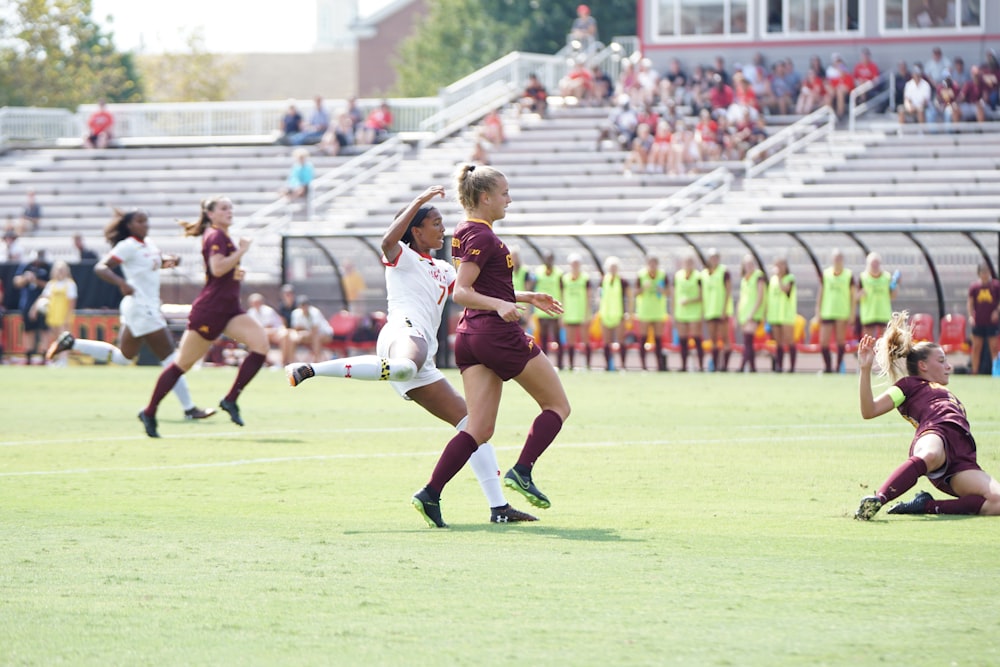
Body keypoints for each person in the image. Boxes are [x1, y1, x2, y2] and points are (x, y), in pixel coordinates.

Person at [284, 186, 537, 524]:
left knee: (472, 425)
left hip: (423, 356)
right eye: (435, 222)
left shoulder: (445, 269)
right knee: (405, 365)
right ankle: (311, 369)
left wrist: (528, 296)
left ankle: (498, 508)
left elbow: (470, 291)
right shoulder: (402, 257)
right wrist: (418, 201)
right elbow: (387, 242)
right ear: (416, 230)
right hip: (403, 334)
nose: (442, 228)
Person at [411, 165, 570, 528]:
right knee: (557, 405)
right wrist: (501, 306)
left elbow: (484, 284)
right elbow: (462, 291)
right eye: (504, 193)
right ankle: (522, 471)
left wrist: (525, 296)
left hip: (471, 338)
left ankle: (430, 493)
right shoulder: (483, 238)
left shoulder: (467, 232)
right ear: (485, 198)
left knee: (479, 429)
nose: (508, 200)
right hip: (497, 334)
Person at [46, 209, 215, 418]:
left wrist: (168, 261)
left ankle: (72, 343)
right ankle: (189, 408)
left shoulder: (149, 244)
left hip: (142, 307)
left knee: (124, 358)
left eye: (146, 220)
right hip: (142, 307)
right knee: (171, 359)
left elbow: (151, 264)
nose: (145, 224)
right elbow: (101, 268)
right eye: (139, 221)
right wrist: (122, 283)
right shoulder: (127, 246)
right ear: (129, 226)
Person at [137, 196, 269, 438]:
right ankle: (149, 411)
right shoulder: (215, 235)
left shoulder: (220, 235)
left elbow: (219, 273)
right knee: (182, 365)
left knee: (260, 345)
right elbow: (218, 268)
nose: (230, 211)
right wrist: (242, 251)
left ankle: (230, 399)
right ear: (210, 214)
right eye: (223, 208)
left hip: (228, 309)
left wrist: (235, 273)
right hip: (211, 310)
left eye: (231, 207)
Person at [854, 312, 1000, 520]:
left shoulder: (946, 393)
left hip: (962, 457)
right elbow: (869, 410)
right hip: (935, 433)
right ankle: (878, 499)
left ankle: (926, 505)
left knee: (997, 501)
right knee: (930, 454)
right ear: (923, 365)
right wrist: (865, 369)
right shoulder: (908, 385)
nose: (948, 366)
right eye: (941, 361)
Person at [816, 249, 855, 374]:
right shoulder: (826, 274)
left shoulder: (848, 275)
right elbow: (820, 293)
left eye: (839, 258)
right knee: (823, 342)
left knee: (840, 341)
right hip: (827, 311)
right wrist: (818, 310)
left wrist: (852, 313)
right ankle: (827, 367)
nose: (837, 261)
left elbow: (853, 296)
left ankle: (838, 367)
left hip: (842, 312)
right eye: (835, 258)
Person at [32, 260, 76, 364]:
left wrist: (67, 316)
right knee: (55, 338)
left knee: (64, 338)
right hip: (53, 315)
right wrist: (34, 308)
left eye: (62, 270)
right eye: (58, 270)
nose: (60, 272)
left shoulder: (70, 284)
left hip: (63, 315)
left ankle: (64, 360)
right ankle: (56, 359)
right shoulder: (51, 284)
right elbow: (43, 297)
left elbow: (72, 302)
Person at [12, 250, 51, 365]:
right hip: (27, 303)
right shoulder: (26, 266)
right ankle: (28, 355)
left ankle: (44, 356)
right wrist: (26, 278)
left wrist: (36, 281)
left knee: (44, 330)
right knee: (28, 330)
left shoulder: (47, 267)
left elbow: (50, 284)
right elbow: (16, 282)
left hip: (44, 303)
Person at [634, 255, 668, 372]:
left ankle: (659, 365)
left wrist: (661, 290)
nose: (652, 266)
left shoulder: (662, 275)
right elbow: (635, 292)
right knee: (643, 338)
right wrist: (643, 288)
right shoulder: (641, 275)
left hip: (658, 311)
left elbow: (668, 292)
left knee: (658, 339)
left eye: (654, 263)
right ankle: (643, 366)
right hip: (644, 311)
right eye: (650, 263)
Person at [701, 249, 732, 372]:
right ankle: (715, 365)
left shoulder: (724, 272)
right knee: (713, 339)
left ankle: (725, 366)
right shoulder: (703, 274)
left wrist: (724, 309)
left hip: (721, 310)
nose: (713, 260)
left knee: (725, 338)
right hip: (710, 310)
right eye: (711, 258)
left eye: (716, 257)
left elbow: (728, 291)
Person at [967, 262, 1000, 375]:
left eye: (986, 271)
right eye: (982, 272)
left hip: (992, 323)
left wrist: (997, 311)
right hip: (978, 322)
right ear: (979, 273)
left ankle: (995, 372)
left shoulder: (996, 286)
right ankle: (974, 372)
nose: (984, 274)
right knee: (976, 348)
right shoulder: (974, 287)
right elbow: (970, 303)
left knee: (994, 347)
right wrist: (971, 316)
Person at [673, 251, 703, 372]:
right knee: (683, 339)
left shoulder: (698, 276)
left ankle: (700, 366)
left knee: (696, 338)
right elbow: (674, 294)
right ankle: (683, 366)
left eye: (690, 262)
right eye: (686, 262)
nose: (688, 264)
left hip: (694, 312)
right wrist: (674, 310)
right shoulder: (678, 276)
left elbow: (702, 296)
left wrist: (689, 300)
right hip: (681, 312)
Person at [533, 250, 563, 369]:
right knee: (543, 338)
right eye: (546, 258)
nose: (548, 260)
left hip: (554, 309)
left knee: (557, 338)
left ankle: (560, 364)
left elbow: (562, 290)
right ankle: (545, 365)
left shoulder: (558, 273)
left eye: (550, 258)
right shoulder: (538, 272)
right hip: (541, 311)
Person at [766, 256, 797, 373]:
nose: (779, 268)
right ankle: (779, 366)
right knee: (778, 342)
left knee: (789, 340)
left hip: (786, 315)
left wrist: (779, 278)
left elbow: (785, 289)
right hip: (775, 315)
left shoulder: (790, 278)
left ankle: (792, 367)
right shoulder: (772, 280)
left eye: (782, 265)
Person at [857, 252, 898, 339]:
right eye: (872, 264)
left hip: (883, 314)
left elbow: (893, 296)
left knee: (886, 340)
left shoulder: (887, 277)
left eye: (877, 264)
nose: (875, 266)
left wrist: (895, 286)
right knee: (868, 340)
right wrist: (860, 295)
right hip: (868, 315)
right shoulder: (862, 277)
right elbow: (855, 297)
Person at [561, 253, 591, 370]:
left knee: (585, 340)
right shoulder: (565, 279)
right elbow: (562, 296)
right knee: (571, 341)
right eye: (573, 264)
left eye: (577, 263)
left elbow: (589, 297)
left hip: (582, 313)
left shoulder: (585, 278)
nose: (575, 266)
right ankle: (571, 365)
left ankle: (587, 364)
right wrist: (562, 315)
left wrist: (587, 314)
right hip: (569, 314)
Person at [736, 254, 766, 373]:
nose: (749, 266)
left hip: (753, 314)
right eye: (747, 264)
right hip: (744, 313)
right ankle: (753, 368)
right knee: (747, 341)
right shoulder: (744, 279)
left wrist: (752, 313)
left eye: (751, 263)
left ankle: (743, 366)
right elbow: (742, 297)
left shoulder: (758, 276)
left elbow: (760, 296)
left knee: (748, 339)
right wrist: (738, 313)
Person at [283, 295, 333, 363]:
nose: (304, 307)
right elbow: (296, 329)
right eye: (302, 305)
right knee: (291, 337)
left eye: (305, 305)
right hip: (308, 335)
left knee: (316, 337)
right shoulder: (296, 313)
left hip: (326, 334)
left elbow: (315, 331)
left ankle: (317, 362)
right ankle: (290, 362)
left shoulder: (315, 312)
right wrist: (300, 334)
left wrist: (303, 333)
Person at [598, 256, 627, 371]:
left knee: (620, 340)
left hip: (619, 314)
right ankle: (608, 365)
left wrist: (627, 312)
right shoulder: (603, 280)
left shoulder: (622, 281)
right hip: (606, 314)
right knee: (607, 341)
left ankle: (622, 365)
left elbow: (628, 297)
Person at [246, 292, 286, 357]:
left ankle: (284, 360)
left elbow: (269, 326)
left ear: (261, 302)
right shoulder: (250, 312)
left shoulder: (268, 310)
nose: (256, 304)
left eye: (257, 302)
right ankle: (263, 360)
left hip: (275, 332)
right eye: (254, 302)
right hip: (261, 334)